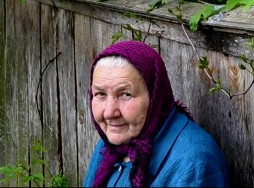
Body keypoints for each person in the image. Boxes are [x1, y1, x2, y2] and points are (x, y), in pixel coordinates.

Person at [83, 40, 229, 187]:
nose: (109, 113)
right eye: (100, 93)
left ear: (155, 97)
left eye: (125, 94)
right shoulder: (110, 143)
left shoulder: (194, 163)